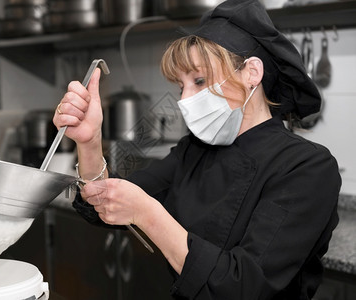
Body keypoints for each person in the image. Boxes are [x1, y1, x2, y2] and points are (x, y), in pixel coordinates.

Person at [52, 0, 341, 299]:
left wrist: (148, 214)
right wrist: (89, 143)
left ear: (252, 73)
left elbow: (242, 287)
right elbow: (105, 206)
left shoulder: (307, 167)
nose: (185, 99)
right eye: (181, 86)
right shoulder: (194, 150)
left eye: (199, 80)